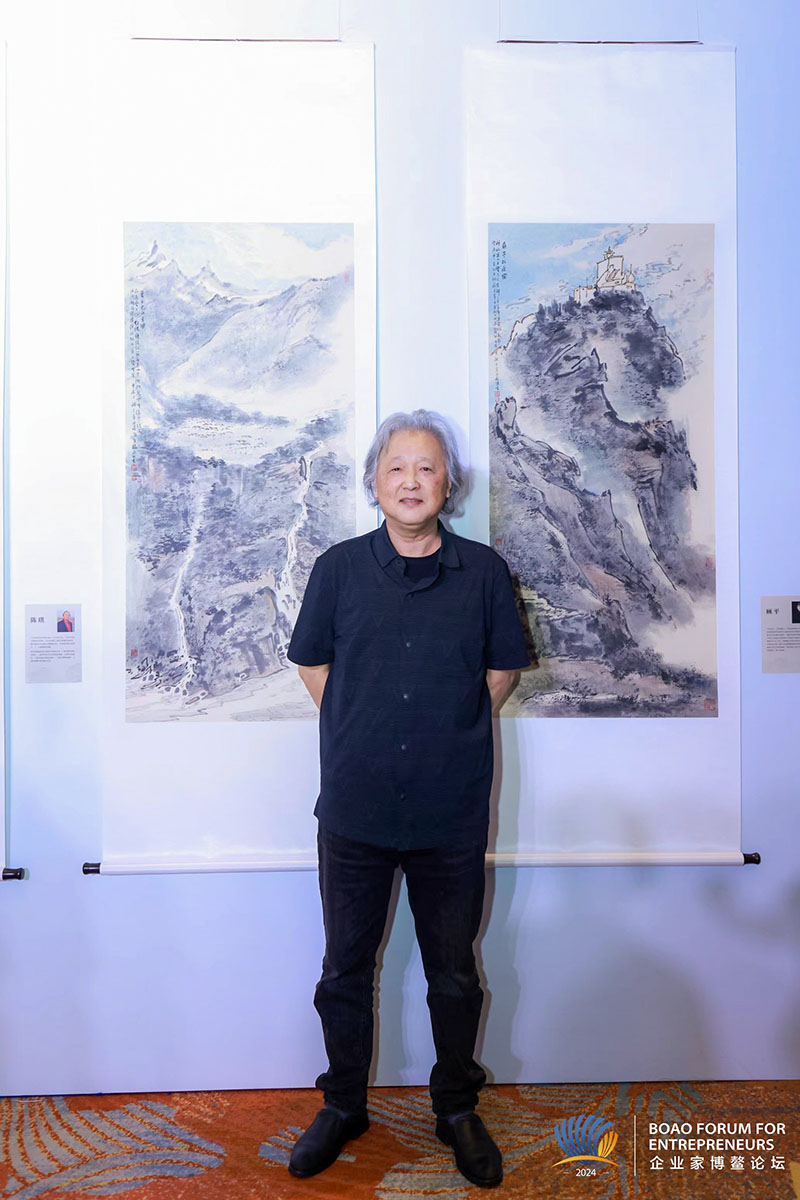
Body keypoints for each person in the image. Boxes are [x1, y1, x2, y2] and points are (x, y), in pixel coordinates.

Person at [285, 409, 530, 1188]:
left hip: (448, 812)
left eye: (427, 468)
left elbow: (500, 673)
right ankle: (343, 1104)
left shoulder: (483, 573)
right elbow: (314, 666)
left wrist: (442, 734)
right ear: (374, 481)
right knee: (343, 972)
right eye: (397, 467)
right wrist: (363, 729)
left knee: (453, 975)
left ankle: (456, 1108)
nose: (412, 481)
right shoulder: (337, 570)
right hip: (354, 810)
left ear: (448, 484)